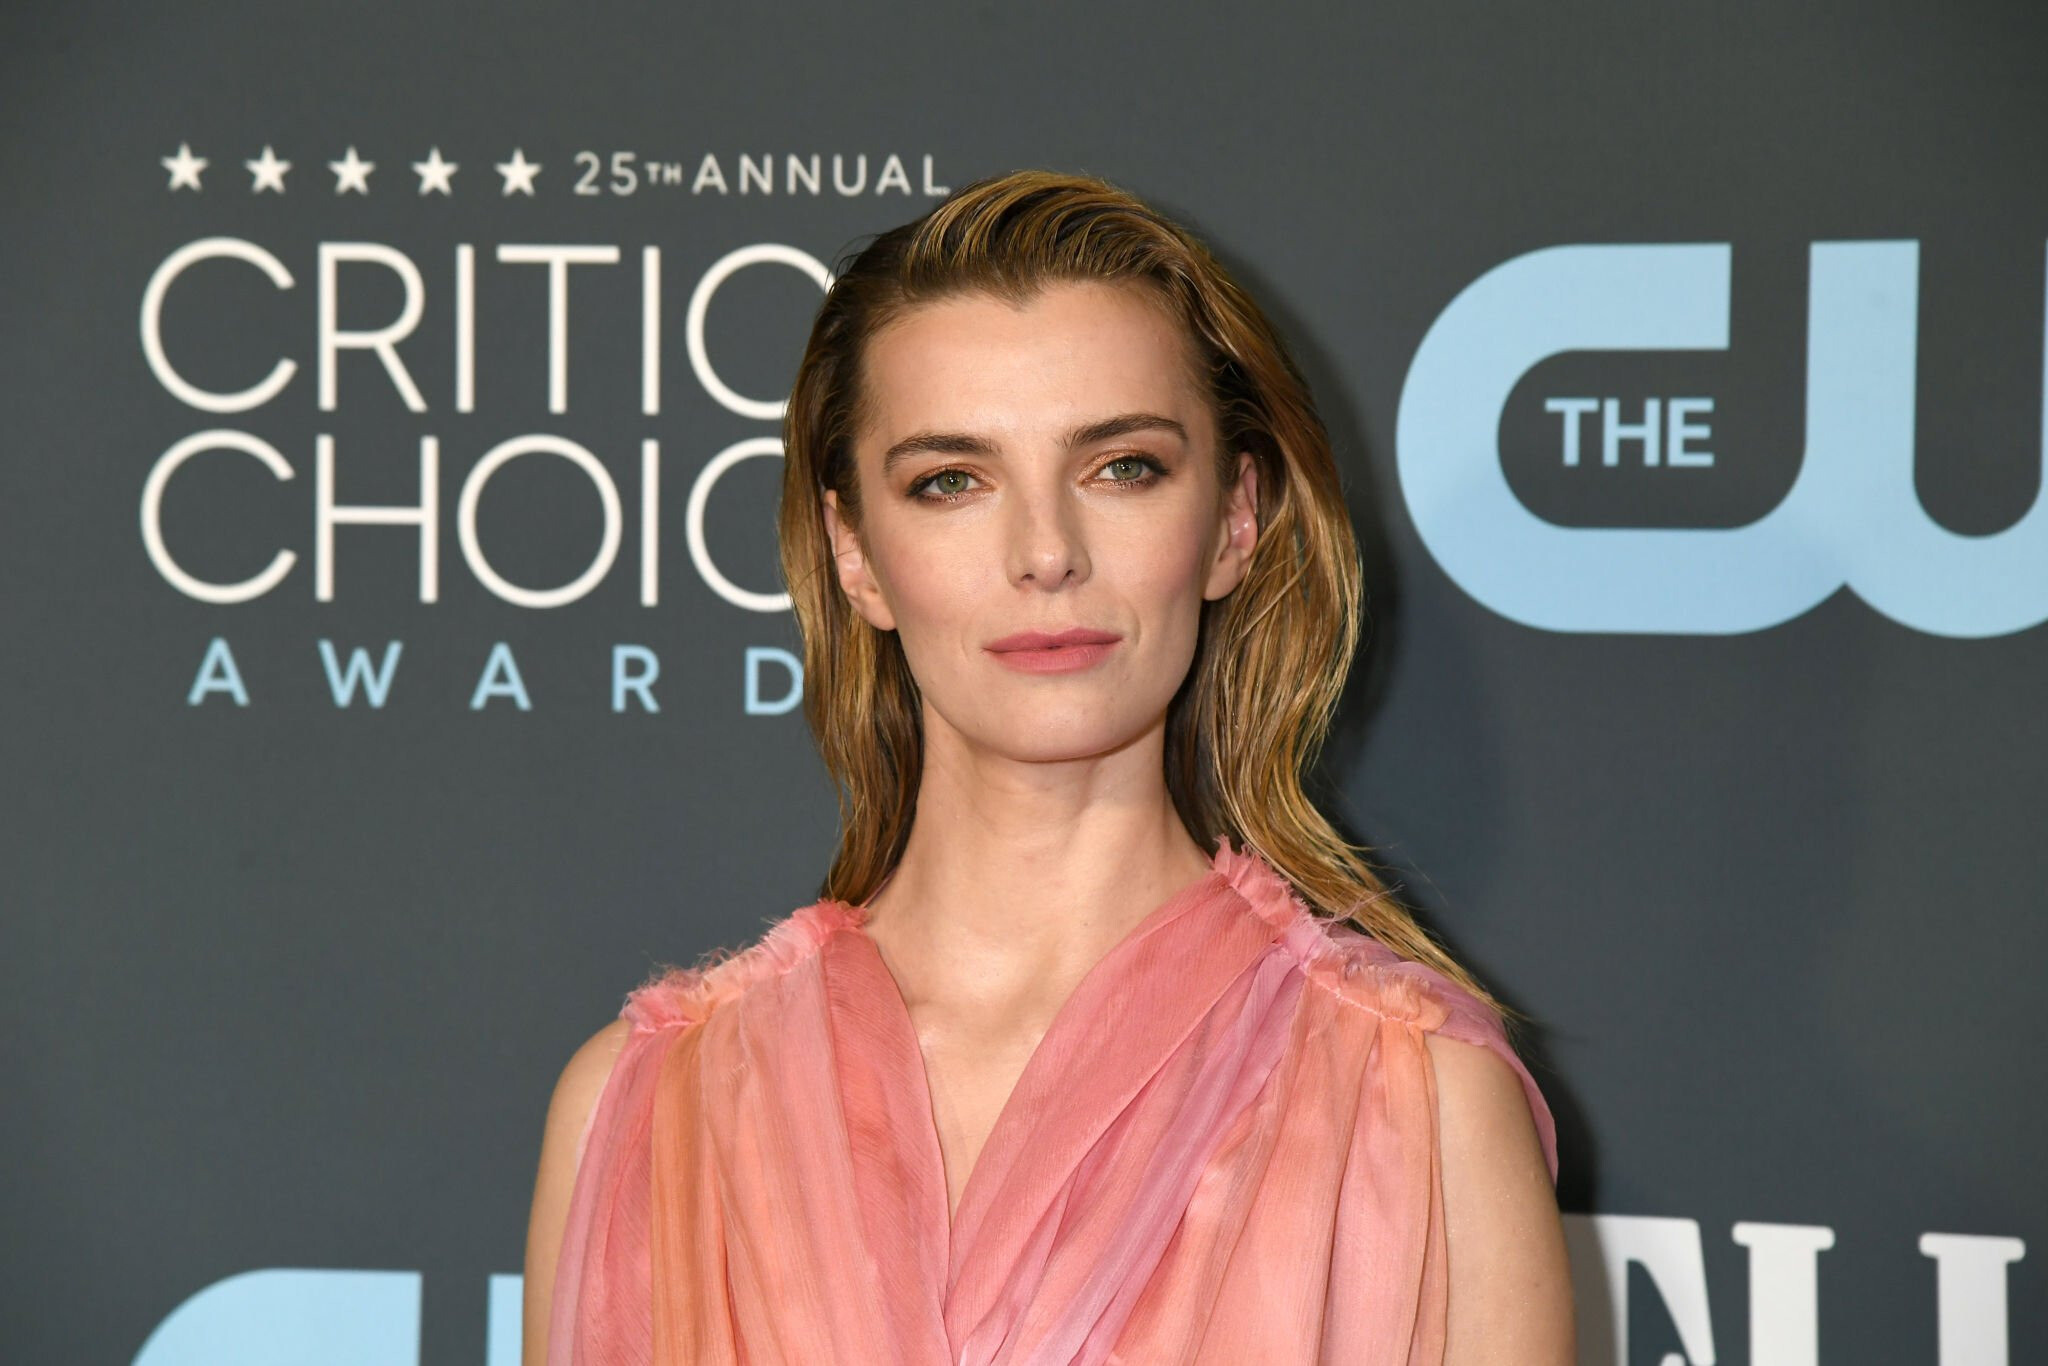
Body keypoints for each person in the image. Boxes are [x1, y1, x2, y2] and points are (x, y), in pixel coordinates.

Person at [522, 170, 1572, 1365]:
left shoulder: (1417, 1101)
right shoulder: (646, 1108)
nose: (1044, 553)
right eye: (950, 481)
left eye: (1120, 466)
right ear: (853, 553)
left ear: (1233, 522)